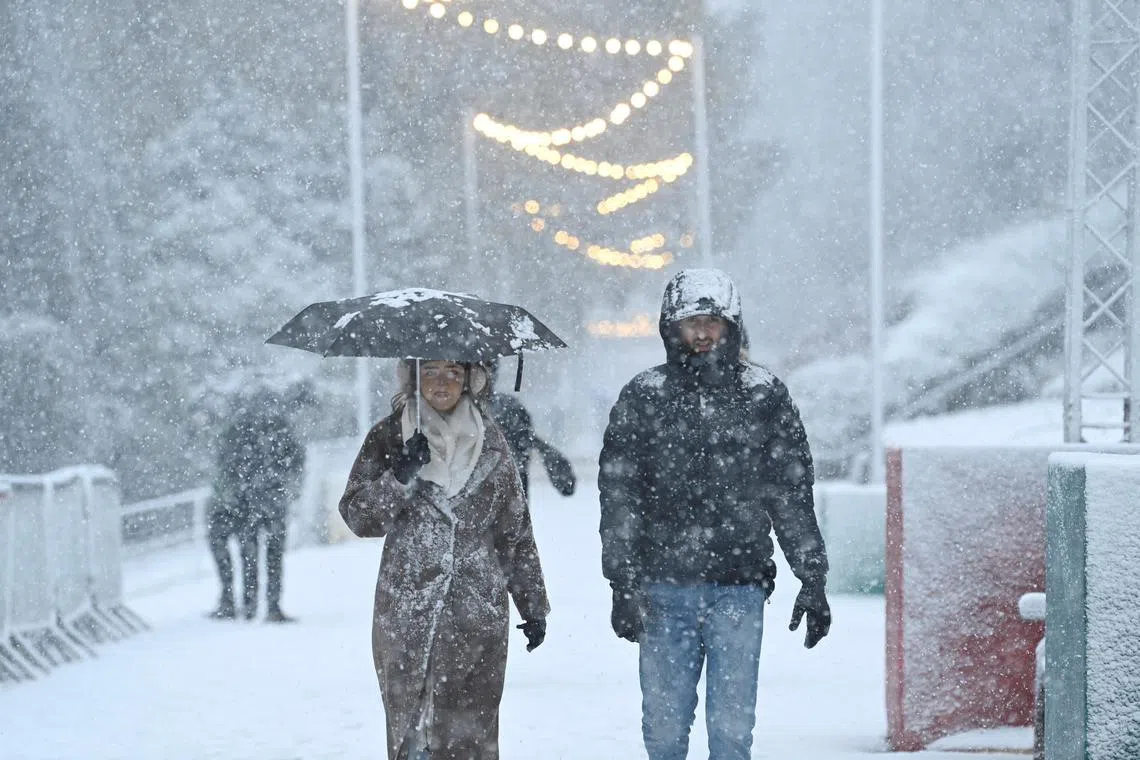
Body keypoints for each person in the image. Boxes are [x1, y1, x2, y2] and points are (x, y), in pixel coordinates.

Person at [598, 268, 831, 760]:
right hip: (662, 589)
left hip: (738, 588)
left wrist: (812, 577)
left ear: (732, 326)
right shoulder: (644, 396)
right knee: (663, 733)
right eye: (691, 322)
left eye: (713, 321)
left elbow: (790, 493)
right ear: (671, 327)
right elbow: (620, 496)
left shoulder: (764, 395)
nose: (702, 333)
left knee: (731, 733)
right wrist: (622, 582)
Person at [338, 358, 550, 760]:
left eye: (453, 372)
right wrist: (399, 477)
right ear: (414, 376)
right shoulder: (388, 436)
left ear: (471, 379)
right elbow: (357, 517)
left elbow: (515, 531)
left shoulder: (493, 440)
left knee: (470, 738)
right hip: (407, 612)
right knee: (413, 738)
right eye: (431, 371)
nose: (442, 382)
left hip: (477, 615)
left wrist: (533, 604)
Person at [207, 390, 305, 623]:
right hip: (271, 501)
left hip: (249, 503)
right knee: (272, 555)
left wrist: (236, 492)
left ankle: (250, 604)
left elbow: (226, 465)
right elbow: (297, 458)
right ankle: (271, 606)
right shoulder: (279, 428)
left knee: (249, 554)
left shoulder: (238, 431)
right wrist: (289, 487)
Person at [486, 362, 576, 501]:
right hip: (511, 499)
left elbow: (528, 441)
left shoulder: (505, 409)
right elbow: (529, 441)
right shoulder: (508, 407)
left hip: (507, 499)